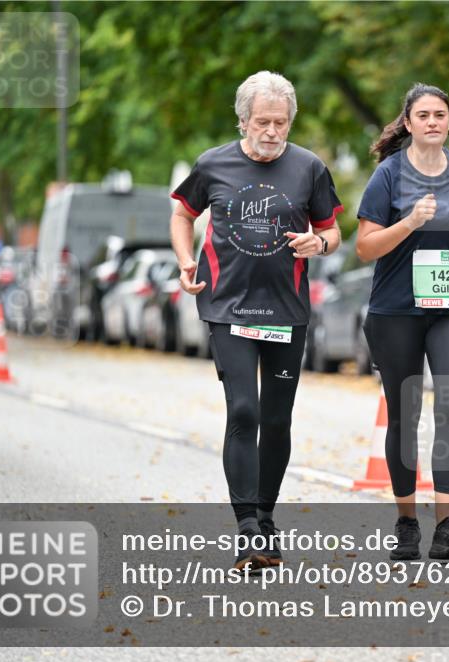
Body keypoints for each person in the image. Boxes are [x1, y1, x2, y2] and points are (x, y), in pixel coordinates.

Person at [169, 71, 343, 571]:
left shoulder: (309, 168)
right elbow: (182, 211)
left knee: (277, 418)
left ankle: (266, 515)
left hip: (287, 309)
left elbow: (333, 233)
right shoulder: (213, 164)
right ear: (244, 121)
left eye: (281, 122)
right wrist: (185, 259)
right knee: (244, 410)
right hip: (228, 307)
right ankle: (247, 525)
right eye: (263, 121)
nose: (272, 131)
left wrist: (320, 243)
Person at [356, 83, 449, 561]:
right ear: (408, 123)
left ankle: (447, 527)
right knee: (405, 414)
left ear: (448, 122)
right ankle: (407, 523)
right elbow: (365, 246)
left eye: (440, 114)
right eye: (423, 115)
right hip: (397, 310)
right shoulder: (388, 176)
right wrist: (409, 222)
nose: (433, 121)